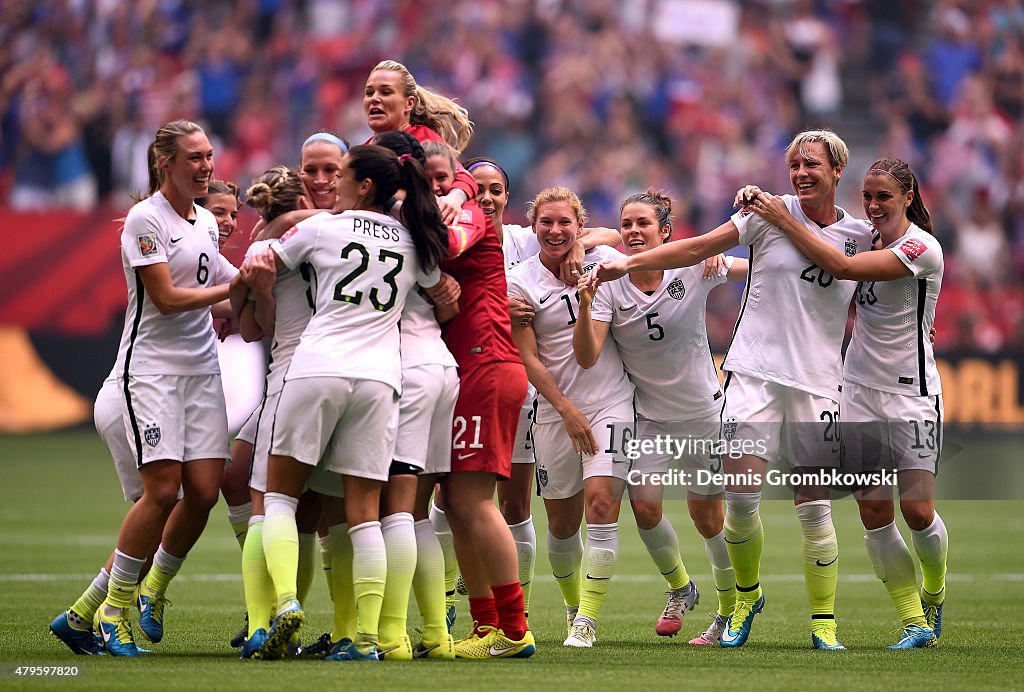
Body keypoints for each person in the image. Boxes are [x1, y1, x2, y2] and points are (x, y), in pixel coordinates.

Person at [590, 130, 874, 650]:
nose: (801, 172)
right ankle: (742, 600)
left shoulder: (859, 235)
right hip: (752, 375)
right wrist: (627, 261)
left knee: (814, 508)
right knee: (741, 500)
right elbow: (700, 248)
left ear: (837, 169)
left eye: (812, 163)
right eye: (794, 164)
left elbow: (883, 279)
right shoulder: (762, 213)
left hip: (818, 384)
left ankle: (824, 623)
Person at [256, 144, 450, 662]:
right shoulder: (414, 241)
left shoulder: (323, 228)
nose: (334, 183)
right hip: (380, 381)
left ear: (364, 185)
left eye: (341, 174)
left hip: (317, 367)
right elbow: (440, 289)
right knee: (366, 516)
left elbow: (263, 261)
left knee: (279, 498)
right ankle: (365, 640)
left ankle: (286, 603)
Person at [742, 158, 946, 649]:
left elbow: (841, 268)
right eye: (868, 197)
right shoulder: (863, 237)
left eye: (884, 198)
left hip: (912, 395)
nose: (873, 206)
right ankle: (915, 622)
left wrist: (781, 216)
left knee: (917, 511)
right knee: (874, 512)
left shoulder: (922, 247)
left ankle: (935, 593)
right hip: (857, 392)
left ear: (908, 197)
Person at [573, 188, 747, 644]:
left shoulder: (694, 265)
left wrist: (721, 261)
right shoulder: (608, 278)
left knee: (707, 519)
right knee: (645, 507)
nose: (633, 232)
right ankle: (682, 588)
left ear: (665, 232)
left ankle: (731, 609)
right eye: (626, 224)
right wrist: (586, 303)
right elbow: (589, 354)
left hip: (701, 415)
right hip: (647, 415)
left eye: (643, 224)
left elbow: (759, 270)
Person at [92, 120, 238, 657]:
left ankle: (104, 604)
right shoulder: (144, 220)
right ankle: (114, 609)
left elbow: (228, 295)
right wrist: (236, 287)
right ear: (166, 163)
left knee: (202, 493)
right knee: (161, 493)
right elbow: (170, 298)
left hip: (202, 372)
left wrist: (266, 295)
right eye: (195, 158)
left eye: (209, 156)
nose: (207, 167)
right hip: (151, 372)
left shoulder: (205, 221)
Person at [410, 142, 535, 660]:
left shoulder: (468, 219)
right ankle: (487, 627)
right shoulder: (451, 209)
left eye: (447, 178)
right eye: (431, 180)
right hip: (467, 369)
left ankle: (514, 629)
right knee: (455, 504)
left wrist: (453, 194)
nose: (445, 189)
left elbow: (450, 244)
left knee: (473, 502)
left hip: (487, 366)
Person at [507, 186, 634, 649]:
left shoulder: (598, 259)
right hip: (556, 412)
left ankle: (587, 620)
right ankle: (570, 604)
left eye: (566, 223)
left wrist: (586, 247)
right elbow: (529, 359)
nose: (556, 231)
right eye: (547, 223)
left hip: (612, 402)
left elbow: (623, 238)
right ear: (534, 226)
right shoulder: (520, 282)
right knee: (561, 526)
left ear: (579, 227)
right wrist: (566, 412)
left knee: (601, 506)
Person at [227, 165, 319, 659]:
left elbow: (249, 328)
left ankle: (266, 620)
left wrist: (251, 287)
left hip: (290, 378)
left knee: (268, 503)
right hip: (345, 374)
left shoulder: (268, 239)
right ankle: (364, 634)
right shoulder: (324, 226)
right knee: (345, 516)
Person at [362, 59, 476, 224]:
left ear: (409, 103)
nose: (374, 98)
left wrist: (454, 199)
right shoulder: (365, 149)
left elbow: (464, 177)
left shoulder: (423, 139)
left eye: (385, 92)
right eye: (369, 93)